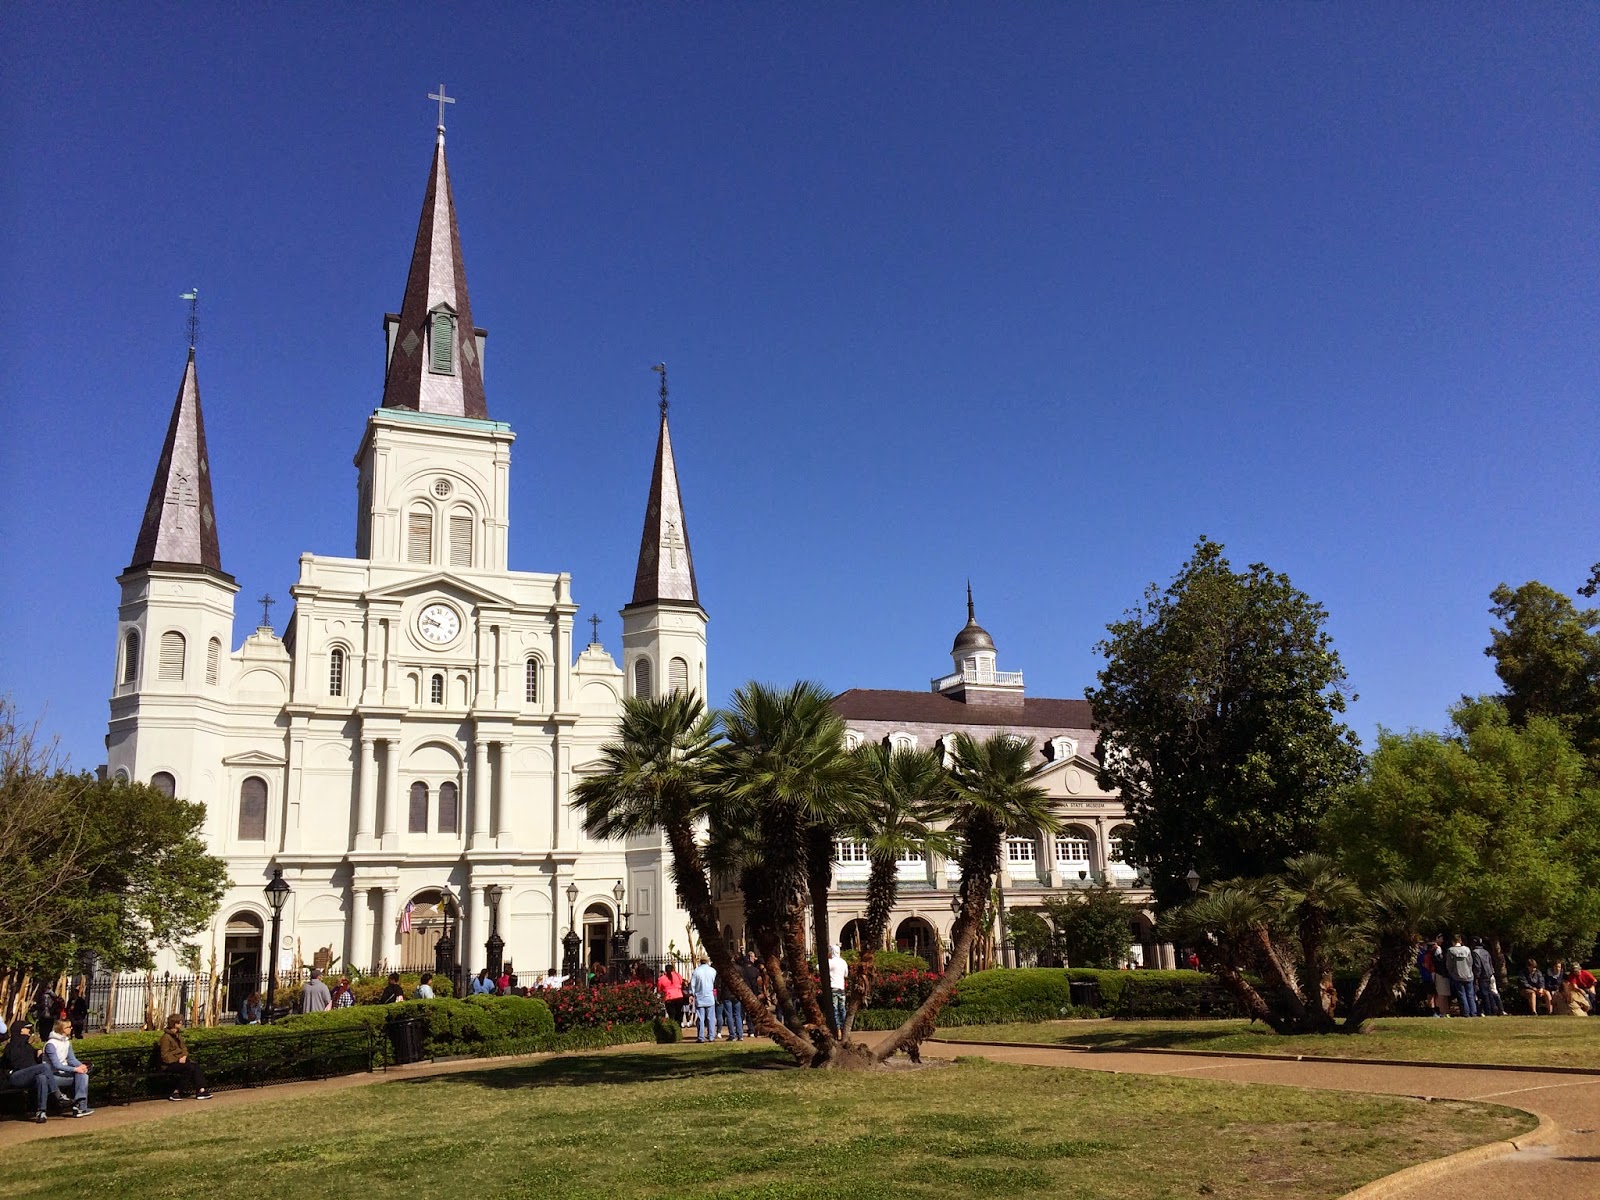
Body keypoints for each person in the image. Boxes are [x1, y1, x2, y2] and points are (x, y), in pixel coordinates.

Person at [4, 1020, 52, 1123]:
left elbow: (32, 1063)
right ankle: (58, 1095)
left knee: (41, 1078)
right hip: (16, 1077)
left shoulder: (28, 1046)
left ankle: (41, 1112)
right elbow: (17, 1065)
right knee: (44, 1067)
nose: (29, 1031)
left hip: (28, 1077)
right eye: (27, 1028)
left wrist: (38, 1053)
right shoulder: (11, 1046)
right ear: (21, 1030)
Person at [44, 1019, 93, 1117]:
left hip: (64, 1073)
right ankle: (80, 1106)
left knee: (83, 1075)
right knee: (81, 1075)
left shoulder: (67, 1042)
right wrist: (75, 1069)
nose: (71, 1028)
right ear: (62, 1029)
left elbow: (71, 1059)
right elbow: (57, 1065)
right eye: (69, 1027)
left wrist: (81, 1066)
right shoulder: (51, 1044)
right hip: (52, 1076)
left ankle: (80, 1106)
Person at [157, 1014, 212, 1100]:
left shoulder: (178, 1035)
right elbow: (165, 1055)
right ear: (174, 1024)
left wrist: (184, 1056)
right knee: (189, 1068)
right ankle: (176, 1092)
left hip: (181, 1061)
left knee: (195, 1065)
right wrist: (178, 1058)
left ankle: (201, 1090)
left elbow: (184, 1048)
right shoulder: (166, 1038)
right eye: (179, 1023)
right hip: (169, 1064)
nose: (181, 1024)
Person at [1444, 934, 1478, 1017]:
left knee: (1462, 994)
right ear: (1461, 941)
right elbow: (1470, 962)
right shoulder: (1467, 949)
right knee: (1470, 994)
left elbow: (1449, 965)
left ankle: (1466, 1012)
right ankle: (1473, 1012)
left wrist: (1452, 973)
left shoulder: (1451, 951)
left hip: (1457, 975)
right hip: (1468, 974)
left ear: (1453, 942)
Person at [688, 955, 718, 1043]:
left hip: (700, 997)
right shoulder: (712, 971)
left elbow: (692, 985)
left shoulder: (696, 971)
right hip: (710, 997)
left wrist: (692, 994)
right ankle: (711, 1036)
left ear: (700, 961)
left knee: (701, 1018)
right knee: (711, 1018)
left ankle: (701, 1037)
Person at [1469, 938, 1502, 1016]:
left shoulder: (1475, 952)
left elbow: (1477, 966)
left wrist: (1476, 976)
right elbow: (1490, 963)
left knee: (1484, 994)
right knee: (1489, 992)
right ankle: (1493, 1009)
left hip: (1482, 975)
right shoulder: (1486, 952)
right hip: (1489, 974)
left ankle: (1488, 1011)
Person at [717, 964, 745, 1041]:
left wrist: (719, 997)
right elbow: (742, 982)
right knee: (737, 1015)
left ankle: (732, 1035)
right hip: (736, 994)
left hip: (727, 994)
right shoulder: (739, 968)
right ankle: (740, 1035)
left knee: (729, 1015)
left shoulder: (723, 969)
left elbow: (719, 985)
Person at [826, 944, 848, 1034]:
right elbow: (846, 974)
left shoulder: (830, 962)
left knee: (835, 1010)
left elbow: (818, 967)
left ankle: (838, 1029)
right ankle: (845, 1028)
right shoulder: (843, 962)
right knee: (842, 1009)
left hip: (833, 988)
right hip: (841, 989)